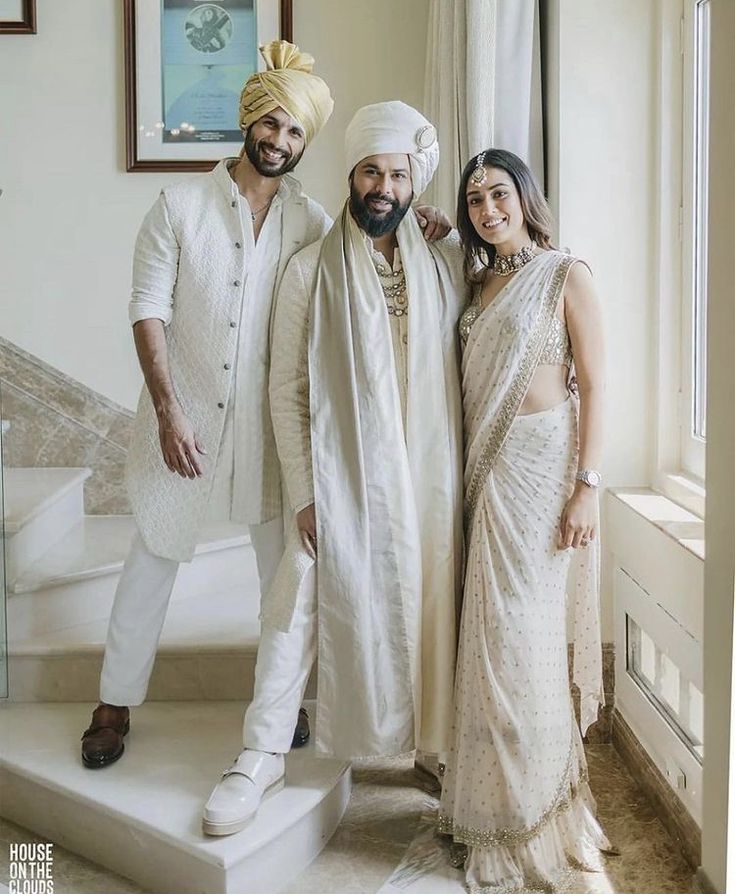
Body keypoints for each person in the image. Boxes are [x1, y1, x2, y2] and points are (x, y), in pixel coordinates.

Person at [201, 101, 466, 837]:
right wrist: (307, 493)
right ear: (350, 176)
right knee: (297, 606)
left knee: (429, 600)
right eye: (370, 172)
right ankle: (258, 754)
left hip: (427, 479)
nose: (382, 187)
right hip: (336, 475)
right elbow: (286, 391)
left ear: (415, 185)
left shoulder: (440, 264)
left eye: (396, 174)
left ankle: (433, 744)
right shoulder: (306, 270)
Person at [79, 40, 334, 770]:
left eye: (294, 132)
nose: (280, 141)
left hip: (265, 427)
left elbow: (361, 251)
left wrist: (428, 224)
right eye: (271, 124)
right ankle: (113, 701)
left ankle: (278, 702)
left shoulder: (309, 222)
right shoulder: (177, 208)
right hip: (181, 419)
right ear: (247, 121)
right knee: (151, 559)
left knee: (277, 573)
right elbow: (147, 309)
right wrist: (167, 411)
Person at [438, 148, 611, 892]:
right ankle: (492, 810)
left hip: (545, 484)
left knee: (525, 647)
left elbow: (598, 385)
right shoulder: (475, 284)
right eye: (474, 199)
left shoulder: (566, 274)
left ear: (524, 196)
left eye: (498, 193)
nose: (487, 209)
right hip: (487, 482)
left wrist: (588, 487)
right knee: (487, 644)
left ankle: (539, 816)